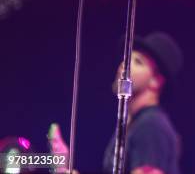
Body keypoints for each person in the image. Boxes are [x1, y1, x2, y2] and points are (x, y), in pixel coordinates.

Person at [50, 32, 183, 174]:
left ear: (156, 81)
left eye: (138, 62)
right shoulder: (135, 123)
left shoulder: (151, 126)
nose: (124, 65)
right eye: (127, 58)